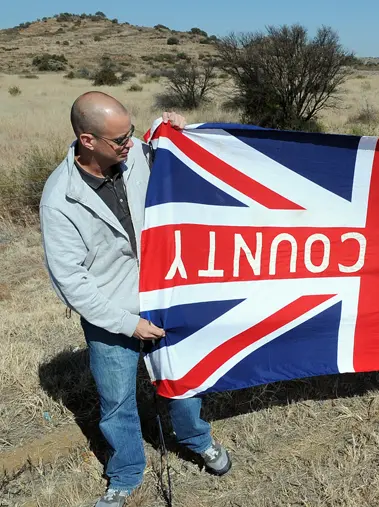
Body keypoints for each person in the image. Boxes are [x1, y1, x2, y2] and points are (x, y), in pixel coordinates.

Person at [39, 91, 232, 506]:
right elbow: (71, 282)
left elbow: (182, 159)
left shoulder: (139, 154)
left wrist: (181, 131)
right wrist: (129, 324)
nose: (131, 143)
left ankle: (197, 440)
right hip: (112, 314)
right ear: (87, 141)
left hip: (165, 295)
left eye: (132, 133)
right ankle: (125, 474)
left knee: (181, 381)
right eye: (120, 139)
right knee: (116, 402)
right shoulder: (60, 199)